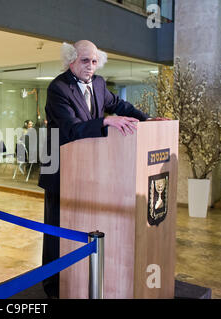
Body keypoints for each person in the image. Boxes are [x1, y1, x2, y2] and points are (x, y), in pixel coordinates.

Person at [38, 40, 150, 298]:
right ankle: (53, 286)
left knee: (82, 229)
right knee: (56, 234)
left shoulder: (99, 84)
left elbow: (122, 106)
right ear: (71, 61)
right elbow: (71, 129)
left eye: (94, 61)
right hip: (61, 173)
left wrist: (148, 120)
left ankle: (80, 279)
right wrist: (106, 121)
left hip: (90, 173)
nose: (90, 66)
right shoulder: (58, 88)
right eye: (85, 60)